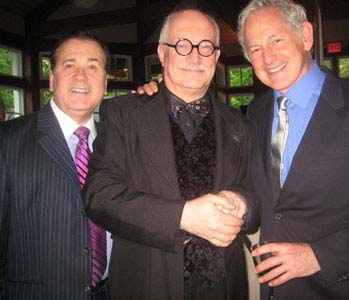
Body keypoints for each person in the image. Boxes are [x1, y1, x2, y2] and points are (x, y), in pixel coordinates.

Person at [84, 7, 259, 300]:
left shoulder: (240, 122)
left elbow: (257, 195)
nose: (194, 56)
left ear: (216, 57)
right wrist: (183, 216)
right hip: (148, 283)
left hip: (225, 287)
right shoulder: (123, 113)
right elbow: (99, 196)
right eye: (182, 45)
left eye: (205, 47)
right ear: (163, 54)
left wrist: (243, 202)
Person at [236, 0, 349, 299]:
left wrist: (317, 256)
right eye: (255, 49)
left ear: (306, 36)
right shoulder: (256, 112)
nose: (267, 57)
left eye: (276, 40)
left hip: (346, 289)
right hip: (274, 291)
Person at [0, 31, 111, 300]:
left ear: (105, 83)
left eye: (92, 67)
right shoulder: (7, 141)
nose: (81, 76)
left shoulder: (117, 143)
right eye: (69, 65)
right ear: (52, 78)